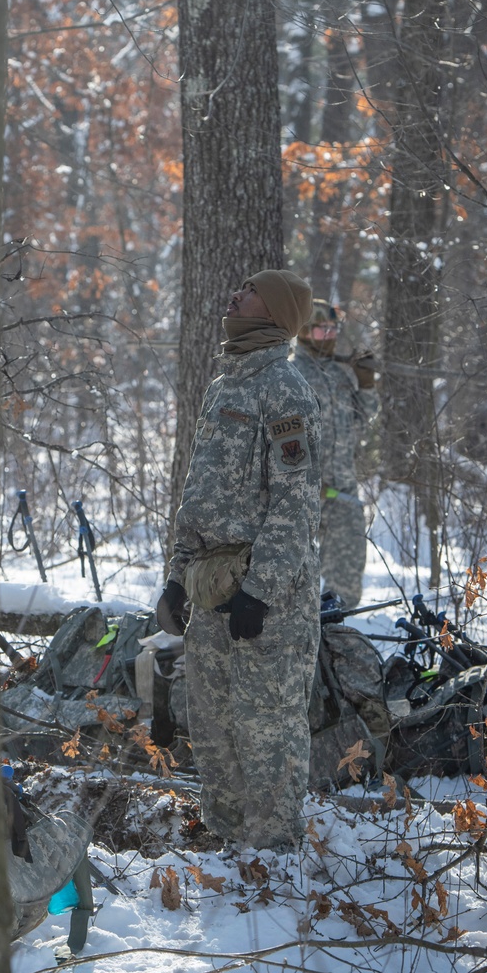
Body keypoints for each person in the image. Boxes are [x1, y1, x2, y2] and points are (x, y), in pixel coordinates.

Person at [157, 270, 321, 851]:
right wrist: (177, 579)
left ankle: (272, 858)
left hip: (267, 598)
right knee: (213, 724)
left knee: (267, 727)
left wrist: (261, 591)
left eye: (251, 289)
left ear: (274, 311)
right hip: (211, 588)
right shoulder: (223, 386)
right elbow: (197, 496)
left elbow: (297, 503)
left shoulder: (286, 389)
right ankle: (228, 850)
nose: (235, 293)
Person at [294, 299, 378, 610]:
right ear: (304, 331)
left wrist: (366, 385)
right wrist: (303, 480)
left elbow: (359, 425)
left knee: (347, 575)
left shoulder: (339, 376)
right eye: (321, 329)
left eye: (333, 329)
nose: (329, 336)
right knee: (291, 576)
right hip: (301, 493)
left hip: (341, 490)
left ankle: (335, 625)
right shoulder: (291, 375)